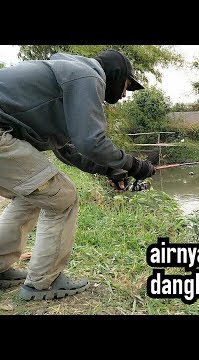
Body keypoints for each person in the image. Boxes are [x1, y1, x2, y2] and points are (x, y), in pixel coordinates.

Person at [0, 49, 155, 300]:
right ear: (116, 74)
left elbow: (69, 150)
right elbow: (92, 143)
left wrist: (110, 169)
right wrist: (135, 165)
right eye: (126, 86)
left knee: (32, 196)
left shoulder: (67, 77)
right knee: (63, 197)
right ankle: (44, 282)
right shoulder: (86, 77)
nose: (125, 94)